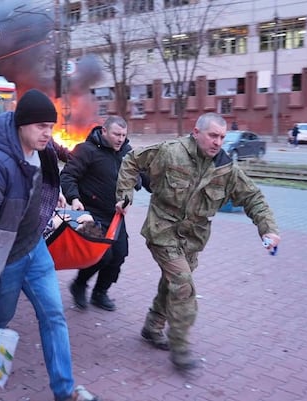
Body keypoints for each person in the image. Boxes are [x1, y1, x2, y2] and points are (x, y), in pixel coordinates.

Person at [0, 89, 99, 401]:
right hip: (4, 253)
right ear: (21, 125)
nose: (48, 133)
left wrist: (50, 193)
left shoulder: (41, 149)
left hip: (33, 247)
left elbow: (38, 179)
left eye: (50, 126)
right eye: (41, 126)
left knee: (53, 314)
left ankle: (65, 391)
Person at [114, 112, 281, 370]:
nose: (218, 142)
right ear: (196, 132)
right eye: (213, 135)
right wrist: (125, 194)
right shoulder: (171, 152)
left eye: (222, 137)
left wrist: (267, 229)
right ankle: (180, 348)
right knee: (183, 285)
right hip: (162, 231)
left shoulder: (226, 169)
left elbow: (253, 198)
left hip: (193, 240)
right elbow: (131, 160)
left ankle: (152, 326)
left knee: (171, 283)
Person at [60, 116, 137, 312]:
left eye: (123, 135)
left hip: (116, 215)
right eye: (116, 134)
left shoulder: (128, 153)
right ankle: (79, 284)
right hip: (91, 213)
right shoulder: (86, 150)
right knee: (102, 255)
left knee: (118, 255)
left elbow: (141, 175)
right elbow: (68, 176)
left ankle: (100, 293)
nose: (120, 139)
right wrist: (74, 198)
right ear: (104, 131)